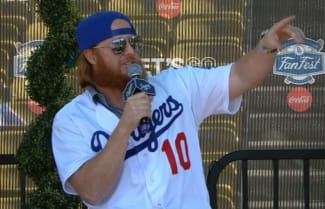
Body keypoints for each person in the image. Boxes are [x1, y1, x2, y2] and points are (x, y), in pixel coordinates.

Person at [51, 11, 305, 209]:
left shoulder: (176, 84)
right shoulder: (71, 120)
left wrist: (266, 49)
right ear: (91, 56)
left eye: (133, 44)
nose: (130, 53)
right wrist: (125, 126)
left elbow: (239, 76)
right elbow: (92, 192)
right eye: (118, 46)